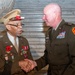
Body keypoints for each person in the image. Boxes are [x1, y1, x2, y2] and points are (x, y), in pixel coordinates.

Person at [19, 3, 75, 75]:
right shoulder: (49, 32)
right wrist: (35, 63)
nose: (43, 18)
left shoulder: (70, 30)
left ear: (55, 14)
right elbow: (48, 56)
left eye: (45, 15)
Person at [0, 9, 35, 75]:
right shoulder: (1, 43)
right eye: (17, 25)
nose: (21, 27)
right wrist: (18, 64)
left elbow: (30, 63)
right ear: (8, 27)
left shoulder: (24, 41)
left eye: (21, 24)